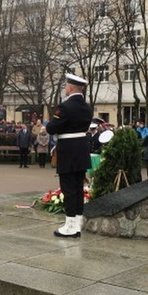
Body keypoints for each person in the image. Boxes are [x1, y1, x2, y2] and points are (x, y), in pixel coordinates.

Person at [46, 73, 92, 238]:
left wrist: (51, 124)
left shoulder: (65, 107)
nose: (65, 88)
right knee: (79, 188)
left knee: (68, 188)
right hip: (81, 149)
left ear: (71, 87)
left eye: (66, 86)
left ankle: (70, 224)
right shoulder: (87, 107)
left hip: (68, 150)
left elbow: (52, 127)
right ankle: (77, 223)